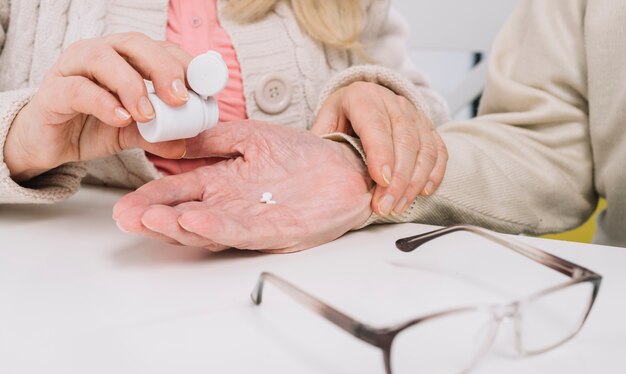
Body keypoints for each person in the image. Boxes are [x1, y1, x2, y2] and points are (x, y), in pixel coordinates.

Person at [114, 0, 626, 251]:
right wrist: (355, 164)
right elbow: (544, 143)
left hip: (326, 263)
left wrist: (376, 102)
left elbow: (419, 112)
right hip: (105, 257)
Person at [0, 0, 448, 231]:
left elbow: (428, 121)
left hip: (316, 263)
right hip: (75, 265)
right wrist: (20, 139)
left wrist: (377, 99)